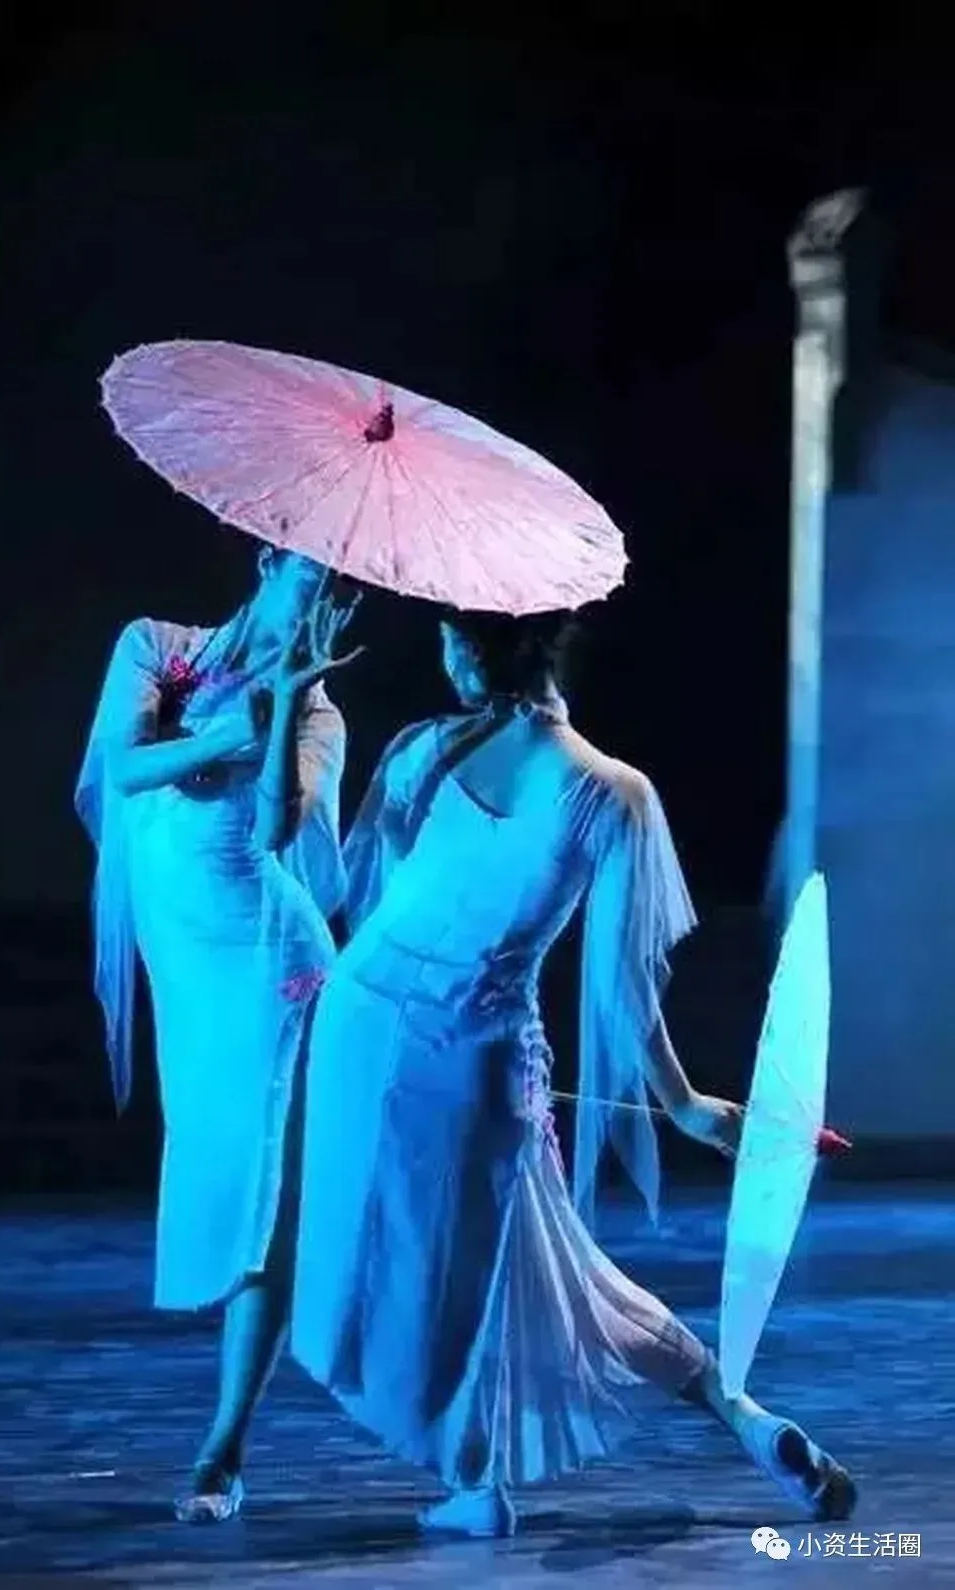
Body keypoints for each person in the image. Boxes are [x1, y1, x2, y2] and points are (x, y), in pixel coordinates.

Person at [290, 606, 856, 1538]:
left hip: (366, 1023)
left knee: (438, 1263)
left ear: (473, 648)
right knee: (512, 1268)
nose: (445, 660)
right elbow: (625, 984)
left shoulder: (422, 750)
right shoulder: (610, 790)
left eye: (450, 642)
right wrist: (683, 1104)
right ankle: (726, 1418)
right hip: (472, 1046)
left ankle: (479, 1478)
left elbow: (372, 897)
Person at [75, 547, 361, 1521]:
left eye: (349, 584)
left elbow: (281, 829)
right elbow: (123, 767)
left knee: (266, 1195)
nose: (332, 593)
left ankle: (224, 1445)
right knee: (214, 1164)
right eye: (318, 571)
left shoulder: (320, 713)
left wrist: (287, 708)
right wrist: (236, 723)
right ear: (270, 558)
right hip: (191, 964)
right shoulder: (158, 646)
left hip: (272, 963)